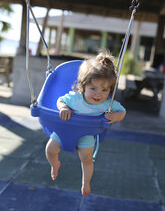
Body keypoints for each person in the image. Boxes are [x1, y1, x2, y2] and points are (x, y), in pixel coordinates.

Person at [45, 50, 126, 196]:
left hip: (86, 135)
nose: (98, 94)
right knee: (50, 150)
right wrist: (63, 108)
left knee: (87, 160)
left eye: (104, 89)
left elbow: (122, 111)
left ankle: (86, 182)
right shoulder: (75, 98)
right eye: (93, 88)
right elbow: (60, 100)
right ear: (83, 86)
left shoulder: (108, 103)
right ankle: (54, 164)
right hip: (65, 130)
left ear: (110, 90)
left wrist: (116, 116)